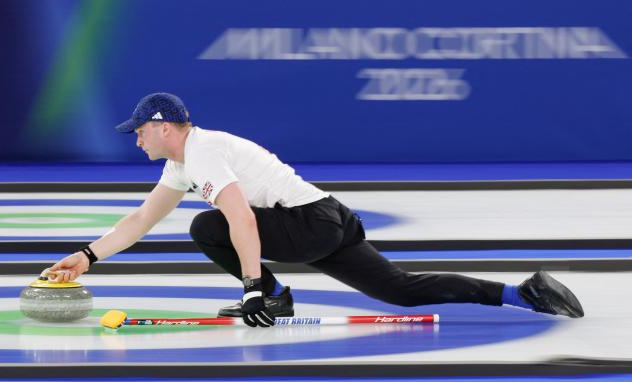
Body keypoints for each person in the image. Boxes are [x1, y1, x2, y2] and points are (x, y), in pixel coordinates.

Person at [45, 92, 584, 327]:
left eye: (140, 132)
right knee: (399, 289)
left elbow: (241, 221)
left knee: (206, 224)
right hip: (325, 219)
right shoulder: (183, 162)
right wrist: (87, 256)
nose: (137, 141)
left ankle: (275, 298)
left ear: (164, 124)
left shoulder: (203, 150)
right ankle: (524, 293)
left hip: (309, 224)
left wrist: (255, 286)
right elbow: (140, 220)